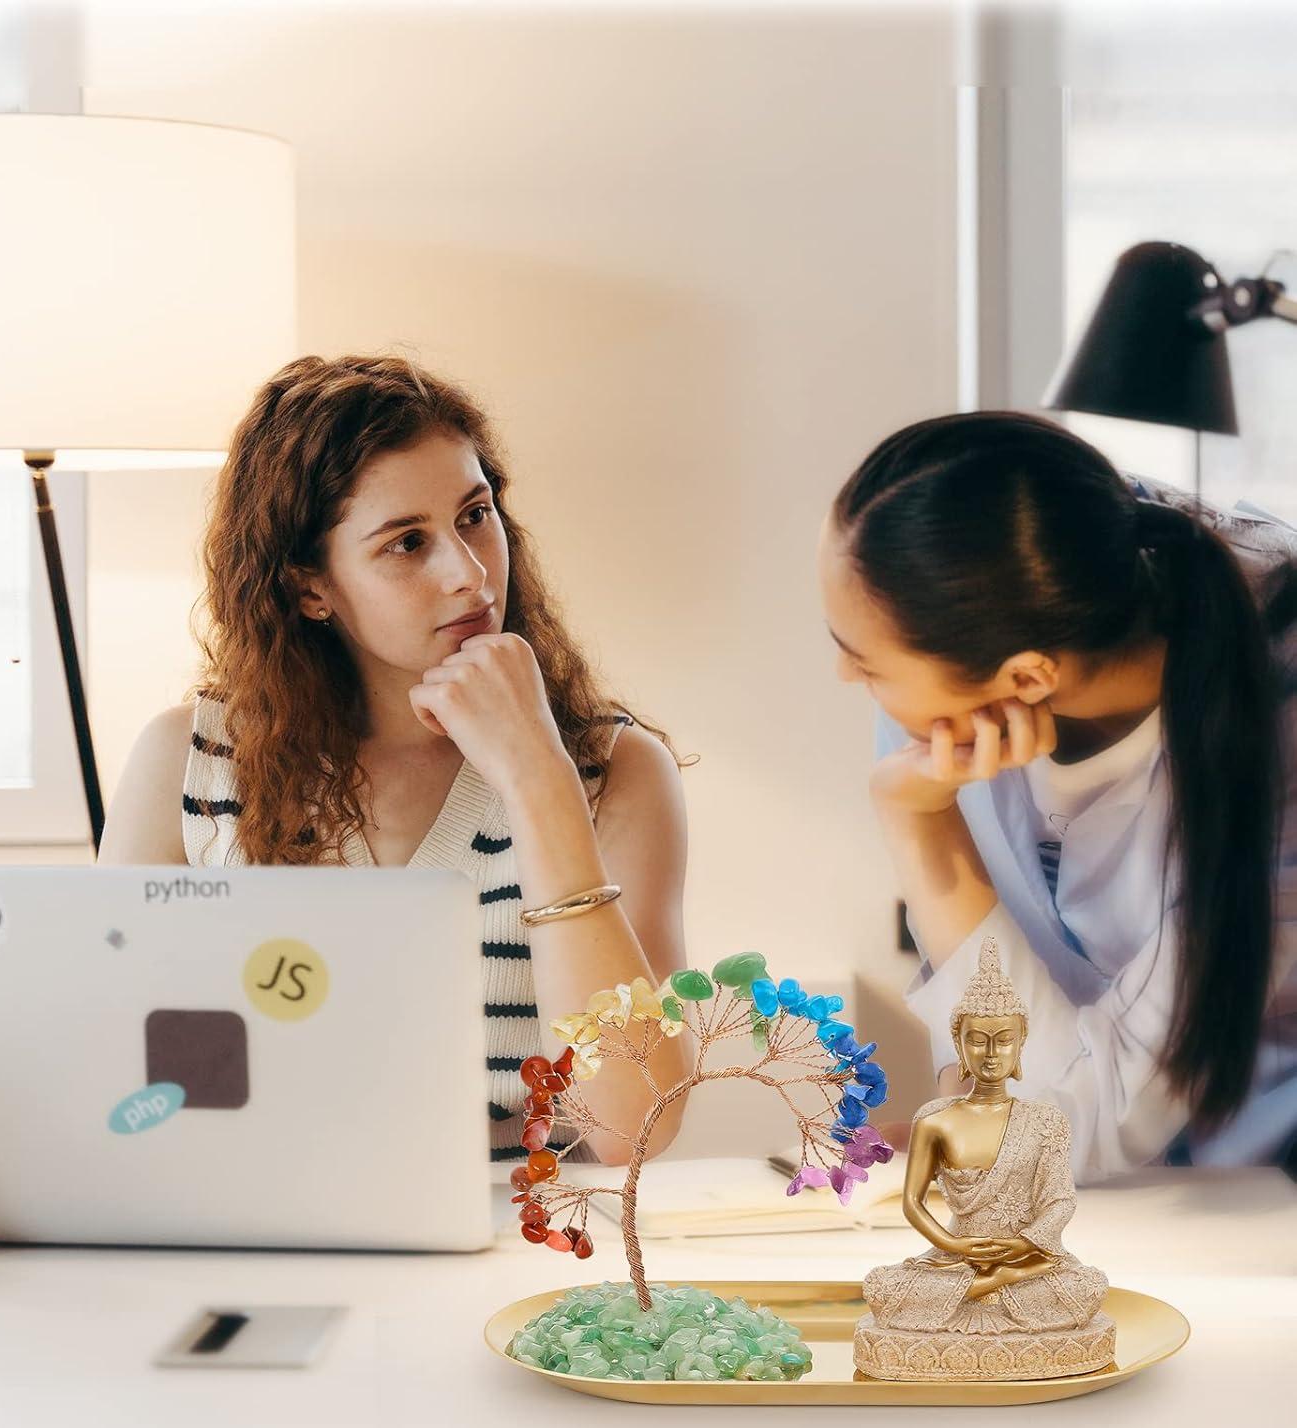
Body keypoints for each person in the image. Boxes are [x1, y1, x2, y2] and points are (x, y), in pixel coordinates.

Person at [99, 354, 691, 1167]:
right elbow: (123, 1061)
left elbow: (633, 1125)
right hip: (256, 1211)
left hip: (518, 1237)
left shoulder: (616, 769)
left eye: (474, 516)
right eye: (407, 543)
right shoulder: (191, 762)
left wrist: (536, 777)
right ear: (312, 587)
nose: (470, 573)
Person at [818, 410, 1297, 1182]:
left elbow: (1072, 1128)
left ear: (1029, 677)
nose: (848, 678)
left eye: (866, 663)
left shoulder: (1274, 718)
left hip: (1262, 1208)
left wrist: (919, 826)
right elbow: (1004, 1098)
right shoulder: (958, 690)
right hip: (1121, 1210)